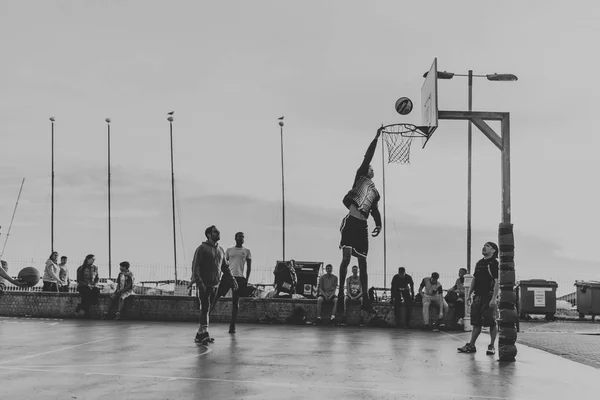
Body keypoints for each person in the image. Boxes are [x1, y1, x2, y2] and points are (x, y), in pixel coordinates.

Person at [337, 130, 382, 315]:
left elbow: (375, 210)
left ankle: (366, 299)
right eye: (371, 167)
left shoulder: (374, 192)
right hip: (351, 222)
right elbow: (368, 156)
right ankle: (340, 294)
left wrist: (379, 224)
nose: (372, 169)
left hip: (362, 226)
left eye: (372, 169)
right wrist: (376, 138)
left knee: (363, 262)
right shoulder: (361, 176)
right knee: (347, 259)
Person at [190, 225, 238, 345]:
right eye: (215, 232)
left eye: (218, 232)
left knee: (207, 309)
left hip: (215, 285)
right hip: (204, 285)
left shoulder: (220, 250)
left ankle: (199, 334)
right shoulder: (201, 249)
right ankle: (205, 333)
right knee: (205, 307)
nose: (218, 233)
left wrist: (233, 281)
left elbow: (225, 268)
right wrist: (200, 283)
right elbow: (195, 267)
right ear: (209, 235)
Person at [458, 242, 500, 355]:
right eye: (484, 245)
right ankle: (471, 345)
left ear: (494, 250)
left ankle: (491, 346)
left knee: (491, 322)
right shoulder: (479, 263)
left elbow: (497, 282)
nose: (484, 247)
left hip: (489, 296)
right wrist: (469, 294)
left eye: (488, 246)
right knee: (476, 322)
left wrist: (494, 298)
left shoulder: (494, 263)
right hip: (478, 297)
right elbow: (474, 280)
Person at [214, 232, 252, 334]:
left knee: (235, 302)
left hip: (240, 278)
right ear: (235, 238)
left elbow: (249, 267)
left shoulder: (247, 251)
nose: (241, 238)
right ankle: (206, 317)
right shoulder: (229, 250)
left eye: (243, 237)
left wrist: (246, 280)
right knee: (217, 296)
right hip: (228, 277)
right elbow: (223, 264)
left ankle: (232, 326)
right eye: (240, 236)